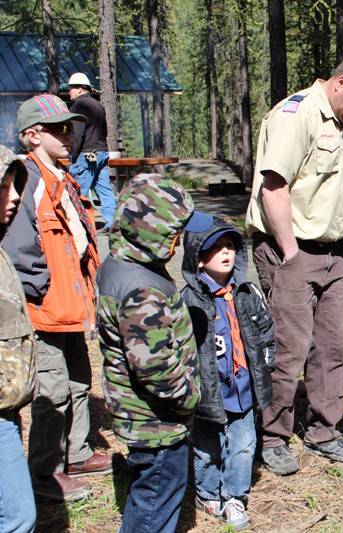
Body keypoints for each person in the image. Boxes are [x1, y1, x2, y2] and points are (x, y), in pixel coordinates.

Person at [246, 53, 343, 476]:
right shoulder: (297, 114)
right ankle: (272, 437)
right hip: (292, 249)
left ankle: (324, 431)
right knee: (288, 352)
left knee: (334, 349)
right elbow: (274, 186)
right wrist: (289, 254)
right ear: (341, 83)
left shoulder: (341, 127)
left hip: (333, 254)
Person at [3, 94, 111, 502]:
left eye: (71, 127)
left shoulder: (62, 176)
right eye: (59, 129)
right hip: (45, 310)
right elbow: (18, 250)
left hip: (73, 307)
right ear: (32, 135)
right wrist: (43, 292)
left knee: (79, 383)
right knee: (53, 393)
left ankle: (78, 453)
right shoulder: (27, 179)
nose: (70, 135)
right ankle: (44, 473)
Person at [95, 174, 212, 532]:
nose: (181, 240)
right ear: (154, 233)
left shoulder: (125, 263)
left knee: (150, 493)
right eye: (176, 232)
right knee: (155, 502)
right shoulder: (141, 291)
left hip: (143, 417)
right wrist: (191, 398)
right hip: (156, 424)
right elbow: (156, 370)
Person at [181, 219, 274, 531]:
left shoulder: (247, 293)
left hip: (244, 387)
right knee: (207, 449)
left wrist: (266, 361)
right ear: (198, 257)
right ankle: (207, 492)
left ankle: (235, 496)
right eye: (217, 248)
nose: (226, 252)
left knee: (244, 444)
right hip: (209, 391)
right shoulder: (189, 300)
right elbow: (181, 346)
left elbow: (265, 331)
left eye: (231, 246)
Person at [0, 145, 37, 533]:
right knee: (17, 516)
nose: (14, 198)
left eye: (16, 186)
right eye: (4, 187)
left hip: (8, 409)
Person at [67, 72, 115, 233]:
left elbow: (77, 133)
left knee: (78, 191)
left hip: (86, 154)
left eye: (71, 88)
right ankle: (112, 223)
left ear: (80, 89)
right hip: (101, 152)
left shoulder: (79, 106)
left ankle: (78, 225)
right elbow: (104, 130)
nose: (69, 91)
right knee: (105, 189)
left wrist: (73, 154)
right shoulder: (98, 105)